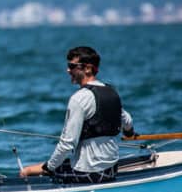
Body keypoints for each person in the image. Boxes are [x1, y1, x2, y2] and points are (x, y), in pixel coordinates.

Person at [20, 46, 135, 184]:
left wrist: (48, 168)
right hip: (111, 168)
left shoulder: (79, 99)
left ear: (87, 68)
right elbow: (127, 121)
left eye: (72, 66)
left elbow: (67, 144)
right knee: (62, 163)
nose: (68, 70)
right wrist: (129, 133)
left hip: (90, 172)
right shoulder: (111, 91)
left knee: (27, 172)